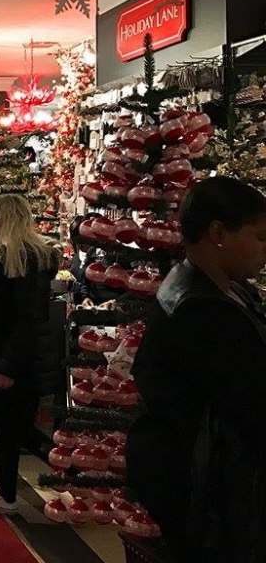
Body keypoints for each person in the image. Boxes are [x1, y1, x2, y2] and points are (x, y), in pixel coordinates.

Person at [128, 177, 266, 559]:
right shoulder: (203, 308)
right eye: (259, 237)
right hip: (205, 490)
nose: (264, 250)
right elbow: (250, 403)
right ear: (218, 232)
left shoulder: (212, 288)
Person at [0, 193, 58, 515]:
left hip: (14, 362)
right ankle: (7, 493)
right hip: (8, 357)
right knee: (14, 429)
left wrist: (7, 365)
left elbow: (26, 319)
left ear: (5, 218)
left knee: (16, 429)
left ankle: (65, 472)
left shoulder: (21, 258)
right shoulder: (11, 256)